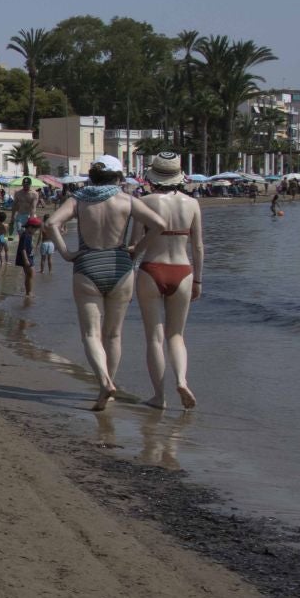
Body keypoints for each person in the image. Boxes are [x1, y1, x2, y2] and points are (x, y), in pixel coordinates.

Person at [43, 156, 168, 410]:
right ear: (118, 177)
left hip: (88, 264)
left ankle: (104, 382)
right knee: (113, 334)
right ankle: (108, 386)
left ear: (92, 175)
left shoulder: (78, 199)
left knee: (91, 333)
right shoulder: (126, 200)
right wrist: (137, 250)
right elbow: (159, 225)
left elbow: (51, 223)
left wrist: (66, 253)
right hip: (120, 266)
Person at [133, 153, 204, 410]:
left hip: (152, 268)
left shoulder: (144, 201)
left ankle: (159, 397)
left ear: (154, 175)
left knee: (154, 337)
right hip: (182, 270)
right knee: (177, 335)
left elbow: (135, 244)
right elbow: (198, 246)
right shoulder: (192, 204)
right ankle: (182, 380)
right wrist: (198, 281)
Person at [14, 216, 40, 296]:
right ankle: (29, 292)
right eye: (35, 229)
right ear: (29, 227)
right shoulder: (25, 235)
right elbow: (23, 249)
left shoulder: (29, 235)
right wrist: (26, 260)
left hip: (29, 257)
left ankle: (28, 291)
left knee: (29, 275)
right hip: (26, 258)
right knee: (31, 274)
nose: (36, 231)